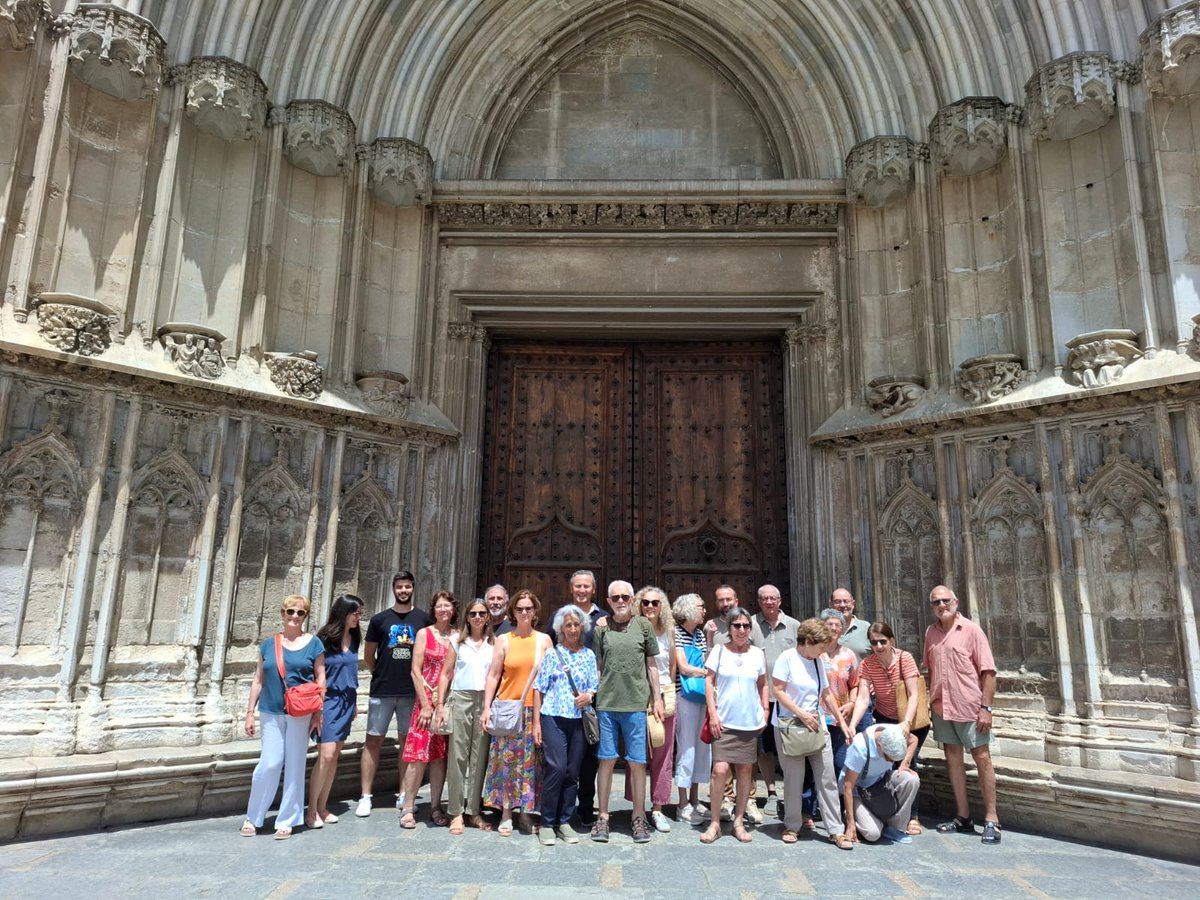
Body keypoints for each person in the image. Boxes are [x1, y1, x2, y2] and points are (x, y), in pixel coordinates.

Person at [241, 595, 326, 840]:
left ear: (305, 616)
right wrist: (249, 713)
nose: (295, 616)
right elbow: (259, 679)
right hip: (271, 709)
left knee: (296, 764)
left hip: (300, 711)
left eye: (301, 613)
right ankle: (253, 816)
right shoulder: (269, 644)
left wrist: (318, 713)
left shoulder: (314, 644)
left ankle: (287, 819)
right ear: (282, 613)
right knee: (270, 763)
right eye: (291, 611)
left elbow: (321, 679)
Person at [924, 585, 1002, 845]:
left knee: (982, 758)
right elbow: (930, 668)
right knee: (953, 759)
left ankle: (992, 819)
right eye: (936, 602)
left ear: (956, 601)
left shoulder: (971, 630)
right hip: (942, 706)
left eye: (946, 600)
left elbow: (988, 672)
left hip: (969, 706)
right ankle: (963, 817)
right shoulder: (931, 633)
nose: (941, 605)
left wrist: (986, 708)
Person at [591, 579, 663, 844]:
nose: (620, 601)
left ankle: (638, 816)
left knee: (637, 761)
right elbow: (598, 664)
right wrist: (594, 693)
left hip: (635, 704)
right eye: (615, 597)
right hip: (608, 704)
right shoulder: (601, 629)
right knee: (607, 759)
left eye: (625, 597)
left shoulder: (644, 626)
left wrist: (656, 698)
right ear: (608, 602)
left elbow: (652, 665)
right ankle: (603, 816)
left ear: (633, 601)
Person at [356, 571, 431, 817]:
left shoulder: (423, 619)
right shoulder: (380, 620)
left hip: (412, 692)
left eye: (408, 586)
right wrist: (380, 673)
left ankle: (403, 793)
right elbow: (369, 655)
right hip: (383, 689)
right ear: (393, 589)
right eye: (400, 587)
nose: (404, 591)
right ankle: (366, 796)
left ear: (413, 589)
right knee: (373, 741)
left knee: (406, 744)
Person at [772, 618, 851, 845]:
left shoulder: (817, 661)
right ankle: (792, 825)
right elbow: (778, 691)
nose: (823, 649)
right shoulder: (787, 658)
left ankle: (836, 829)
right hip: (791, 726)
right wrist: (801, 714)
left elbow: (826, 694)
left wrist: (841, 723)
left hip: (817, 725)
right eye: (820, 645)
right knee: (794, 778)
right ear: (807, 641)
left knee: (827, 777)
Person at [482, 589, 553, 836]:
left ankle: (525, 812)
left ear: (535, 612)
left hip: (535, 711)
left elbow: (549, 678)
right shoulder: (504, 640)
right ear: (512, 611)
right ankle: (506, 813)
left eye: (528, 608)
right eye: (519, 608)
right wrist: (486, 707)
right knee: (506, 764)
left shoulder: (544, 640)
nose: (524, 612)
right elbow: (493, 675)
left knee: (531, 764)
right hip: (508, 710)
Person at [849, 620, 929, 836]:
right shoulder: (867, 664)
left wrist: (906, 722)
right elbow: (863, 698)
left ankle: (912, 816)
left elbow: (913, 694)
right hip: (885, 719)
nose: (878, 646)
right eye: (874, 643)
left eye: (883, 641)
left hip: (910, 721)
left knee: (907, 765)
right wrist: (852, 725)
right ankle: (888, 812)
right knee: (887, 767)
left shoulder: (905, 658)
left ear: (891, 640)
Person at [532, 604, 599, 846]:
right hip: (553, 717)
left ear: (583, 627)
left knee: (573, 772)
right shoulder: (552, 654)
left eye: (576, 624)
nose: (572, 629)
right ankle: (547, 822)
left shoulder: (589, 655)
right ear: (560, 628)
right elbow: (539, 689)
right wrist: (536, 724)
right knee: (557, 768)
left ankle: (565, 821)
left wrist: (588, 696)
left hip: (579, 719)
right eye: (567, 625)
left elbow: (594, 685)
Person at [700, 606, 767, 844]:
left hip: (748, 721)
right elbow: (709, 682)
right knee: (719, 770)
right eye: (736, 625)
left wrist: (765, 709)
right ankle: (716, 822)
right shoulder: (719, 651)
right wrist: (712, 713)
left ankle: (738, 821)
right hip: (724, 720)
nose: (741, 630)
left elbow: (763, 684)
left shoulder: (758, 653)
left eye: (746, 626)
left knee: (745, 771)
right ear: (728, 628)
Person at [398, 591, 458, 828]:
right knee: (418, 756)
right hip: (425, 703)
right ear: (433, 610)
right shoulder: (425, 633)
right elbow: (415, 670)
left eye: (447, 606)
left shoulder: (457, 635)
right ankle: (408, 806)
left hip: (448, 704)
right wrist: (424, 705)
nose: (443, 610)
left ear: (453, 610)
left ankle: (435, 806)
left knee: (439, 757)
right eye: (439, 606)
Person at [437, 599, 495, 834]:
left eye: (482, 613)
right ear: (467, 617)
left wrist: (488, 706)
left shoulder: (494, 643)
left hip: (485, 700)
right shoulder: (456, 641)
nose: (478, 617)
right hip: (460, 698)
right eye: (473, 613)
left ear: (488, 617)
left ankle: (473, 811)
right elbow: (445, 674)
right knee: (458, 757)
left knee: (479, 756)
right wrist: (440, 704)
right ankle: (456, 812)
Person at [623, 586, 677, 833]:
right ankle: (637, 808)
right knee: (637, 753)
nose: (650, 607)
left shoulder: (668, 632)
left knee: (663, 752)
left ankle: (657, 807)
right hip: (636, 695)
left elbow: (672, 667)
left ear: (661, 606)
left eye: (655, 603)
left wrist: (665, 695)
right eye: (645, 603)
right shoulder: (631, 630)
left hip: (663, 695)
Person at [306, 594, 362, 829]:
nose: (359, 617)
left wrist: (355, 703)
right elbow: (316, 672)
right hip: (328, 701)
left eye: (360, 613)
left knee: (335, 755)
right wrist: (316, 707)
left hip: (347, 700)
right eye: (355, 613)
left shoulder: (355, 637)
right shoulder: (324, 639)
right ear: (343, 613)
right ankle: (311, 811)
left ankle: (323, 807)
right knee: (326, 755)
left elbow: (352, 673)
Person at [559, 569, 605, 826]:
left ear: (593, 589)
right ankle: (560, 805)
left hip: (592, 698)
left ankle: (585, 805)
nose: (582, 590)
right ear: (571, 589)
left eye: (586, 586)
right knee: (562, 755)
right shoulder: (561, 617)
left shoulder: (604, 619)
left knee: (589, 756)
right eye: (578, 586)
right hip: (563, 699)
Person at [749, 583, 799, 821]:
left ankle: (792, 792)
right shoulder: (749, 624)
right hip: (760, 697)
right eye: (764, 598)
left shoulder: (795, 626)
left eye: (773, 598)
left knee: (791, 746)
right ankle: (770, 791)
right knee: (764, 747)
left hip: (789, 700)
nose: (769, 602)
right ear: (759, 601)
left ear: (780, 600)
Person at [840, 723, 919, 848]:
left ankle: (894, 828)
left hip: (881, 781)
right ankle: (850, 815)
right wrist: (850, 825)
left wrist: (905, 763)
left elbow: (914, 739)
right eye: (889, 758)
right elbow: (848, 786)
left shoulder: (896, 733)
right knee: (873, 834)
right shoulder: (860, 747)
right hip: (859, 791)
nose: (892, 762)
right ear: (879, 746)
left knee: (912, 779)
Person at [672, 591, 711, 825]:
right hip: (684, 696)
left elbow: (705, 659)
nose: (704, 610)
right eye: (700, 606)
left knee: (701, 747)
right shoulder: (676, 634)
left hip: (701, 696)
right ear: (687, 609)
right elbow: (684, 667)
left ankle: (695, 798)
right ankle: (682, 803)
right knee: (686, 747)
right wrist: (708, 673)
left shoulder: (698, 634)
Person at [831, 588, 871, 660]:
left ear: (853, 604)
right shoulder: (822, 629)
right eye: (837, 601)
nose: (842, 605)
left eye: (846, 601)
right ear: (831, 604)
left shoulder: (866, 628)